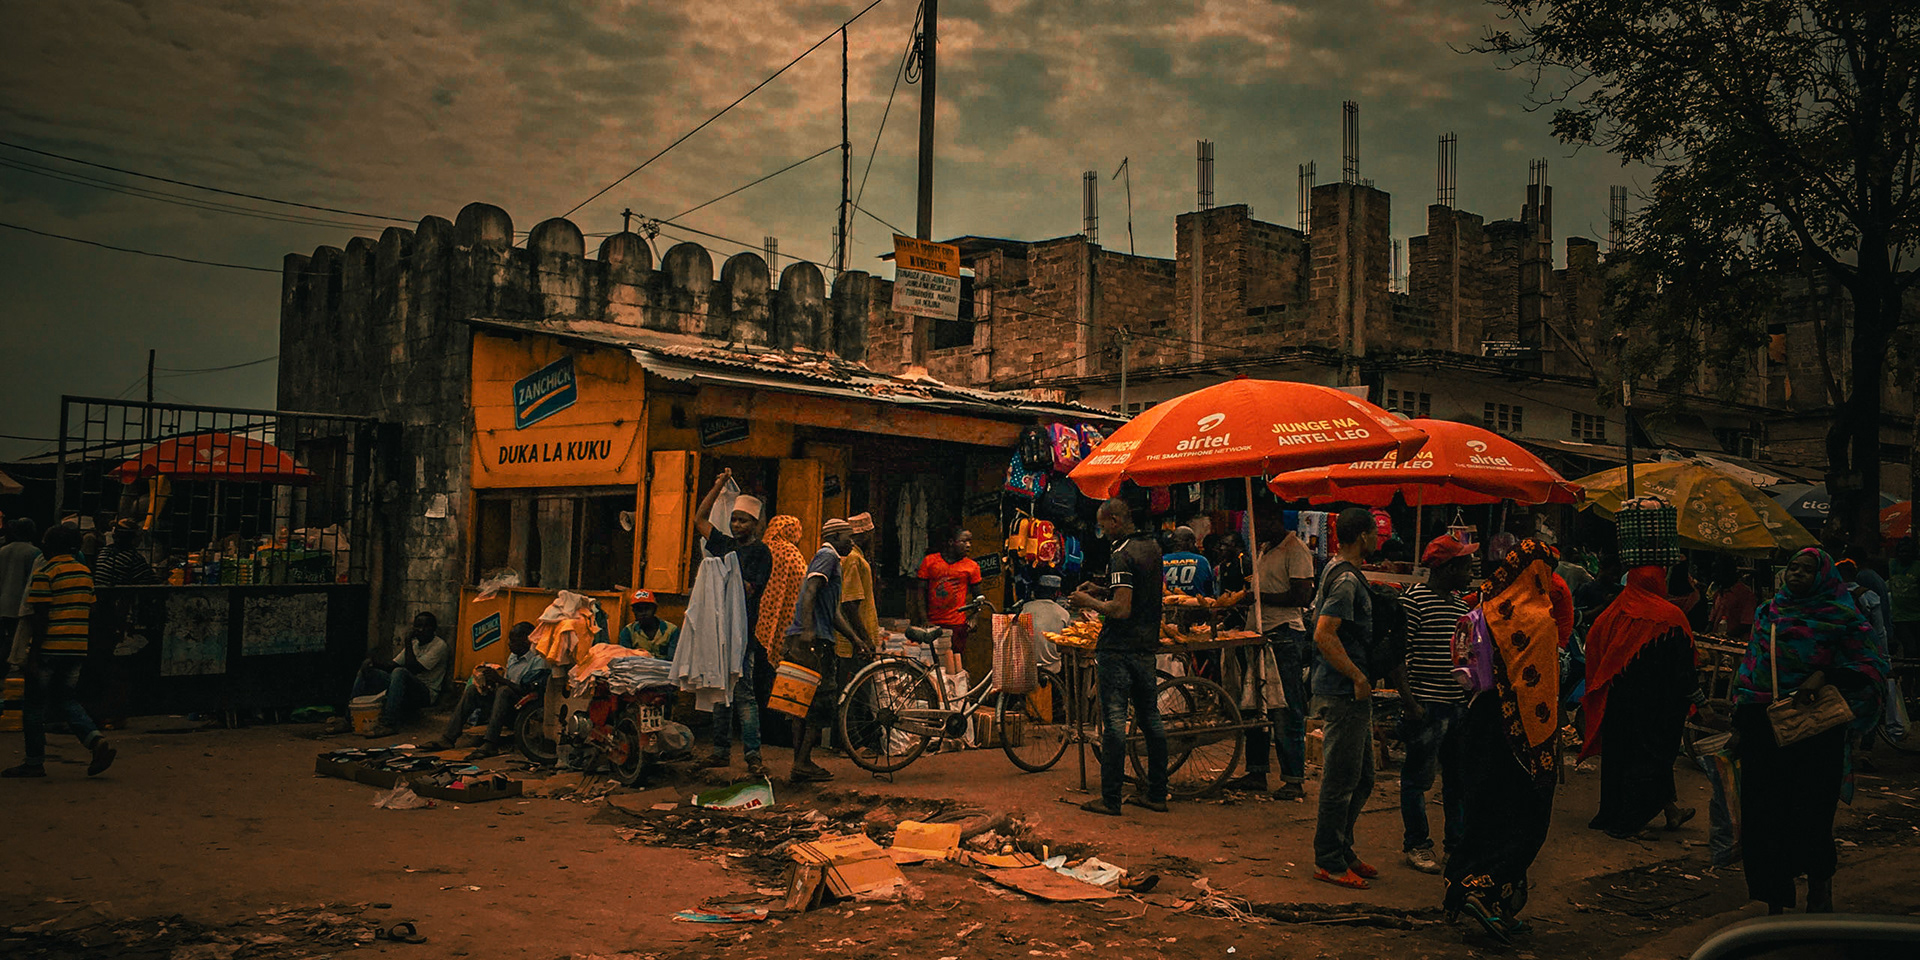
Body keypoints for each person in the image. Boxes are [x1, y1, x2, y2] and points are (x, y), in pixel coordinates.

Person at [1731, 548, 1888, 914]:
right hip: (1764, 726)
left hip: (1816, 733)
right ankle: (1776, 901)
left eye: (1806, 569)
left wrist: (1824, 676)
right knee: (1765, 816)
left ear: (1822, 576)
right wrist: (1739, 723)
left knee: (1812, 815)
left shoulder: (1843, 617)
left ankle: (1819, 887)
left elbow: (1871, 667)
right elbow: (1751, 669)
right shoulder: (1768, 612)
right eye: (1793, 568)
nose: (1797, 574)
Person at [1443, 539, 1574, 942]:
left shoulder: (1483, 609)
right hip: (1522, 736)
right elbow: (1545, 688)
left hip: (1479, 721)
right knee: (1525, 819)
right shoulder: (1539, 619)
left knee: (1483, 810)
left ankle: (1473, 891)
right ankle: (1483, 892)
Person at [1582, 565, 1702, 838]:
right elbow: (1683, 666)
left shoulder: (1614, 611)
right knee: (1650, 760)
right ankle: (1628, 821)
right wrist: (1698, 701)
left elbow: (1594, 643)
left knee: (1618, 758)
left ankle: (1622, 813)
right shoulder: (1670, 617)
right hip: (1658, 706)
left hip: (1618, 701)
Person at [1070, 499, 1167, 816]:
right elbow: (1134, 592)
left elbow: (1122, 608)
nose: (1102, 532)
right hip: (1146, 646)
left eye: (1103, 525)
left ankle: (1110, 798)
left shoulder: (1121, 554)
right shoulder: (1151, 547)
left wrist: (1086, 600)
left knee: (1113, 724)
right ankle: (1157, 794)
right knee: (1151, 720)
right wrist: (1101, 589)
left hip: (1118, 649)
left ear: (1114, 520)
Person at [1307, 507, 1382, 889]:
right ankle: (1329, 860)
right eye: (1375, 533)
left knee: (1363, 777)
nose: (1378, 540)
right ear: (1363, 536)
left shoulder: (1337, 570)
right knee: (1340, 780)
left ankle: (1343, 847)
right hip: (1343, 691)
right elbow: (1324, 633)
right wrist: (1356, 675)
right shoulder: (1347, 580)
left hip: (1347, 690)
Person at [4, 524, 115, 778]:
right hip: (75, 648)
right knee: (65, 698)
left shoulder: (45, 573)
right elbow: (91, 610)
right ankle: (95, 740)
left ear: (50, 546)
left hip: (49, 648)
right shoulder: (85, 574)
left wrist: (33, 656)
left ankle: (34, 761)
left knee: (33, 705)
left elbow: (40, 618)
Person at [1396, 534, 1477, 874]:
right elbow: (1399, 656)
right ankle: (1417, 844)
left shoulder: (1461, 608)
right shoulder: (1413, 601)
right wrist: (1410, 702)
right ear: (1447, 568)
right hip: (1427, 704)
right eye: (1465, 566)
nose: (1471, 572)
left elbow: (1466, 658)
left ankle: (1456, 846)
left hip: (1457, 704)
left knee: (1457, 781)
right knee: (1417, 780)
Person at [1228, 518, 1317, 800]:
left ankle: (1293, 779)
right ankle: (1257, 772)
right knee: (1254, 705)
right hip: (1258, 632)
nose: (1255, 529)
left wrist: (1258, 597)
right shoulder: (1264, 549)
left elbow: (1302, 595)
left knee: (1286, 706)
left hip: (1284, 634)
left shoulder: (1296, 549)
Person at [693, 469, 773, 777]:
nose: (737, 524)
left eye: (743, 520)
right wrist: (717, 486)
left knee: (743, 695)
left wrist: (722, 578)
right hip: (718, 632)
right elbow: (700, 519)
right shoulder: (724, 544)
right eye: (734, 519)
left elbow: (750, 588)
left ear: (755, 524)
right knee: (719, 692)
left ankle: (753, 755)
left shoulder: (761, 552)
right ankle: (720, 751)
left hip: (742, 634)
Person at [784, 518, 871, 783]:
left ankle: (800, 762)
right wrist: (808, 629)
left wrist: (855, 639)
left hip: (808, 639)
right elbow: (810, 591)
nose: (851, 542)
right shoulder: (828, 557)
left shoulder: (829, 560)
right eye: (847, 537)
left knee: (801, 703)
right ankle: (802, 762)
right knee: (820, 702)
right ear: (833, 537)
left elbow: (833, 612)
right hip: (816, 642)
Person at [419, 622, 546, 759]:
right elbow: (507, 683)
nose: (509, 644)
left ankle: (490, 744)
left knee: (504, 691)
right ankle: (448, 738)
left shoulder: (538, 660)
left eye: (513, 641)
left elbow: (529, 691)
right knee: (473, 690)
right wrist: (489, 684)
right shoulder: (513, 657)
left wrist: (501, 681)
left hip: (524, 713)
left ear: (526, 640)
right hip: (505, 707)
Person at [351, 611, 451, 739]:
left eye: (426, 627)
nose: (421, 630)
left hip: (425, 693)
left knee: (400, 672)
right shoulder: (415, 644)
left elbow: (413, 669)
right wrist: (373, 663)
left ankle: (389, 723)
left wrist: (408, 642)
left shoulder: (439, 646)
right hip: (405, 688)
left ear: (433, 628)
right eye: (418, 626)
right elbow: (392, 665)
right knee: (366, 671)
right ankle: (350, 718)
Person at [912, 526, 983, 674]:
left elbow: (979, 597)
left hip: (957, 625)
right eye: (964, 541)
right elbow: (920, 592)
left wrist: (975, 616)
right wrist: (923, 618)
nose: (968, 545)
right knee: (930, 666)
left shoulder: (972, 567)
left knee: (955, 666)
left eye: (970, 541)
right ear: (951, 542)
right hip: (932, 624)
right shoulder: (930, 561)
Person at [0, 518, 41, 684]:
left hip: (3, 602)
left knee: (5, 639)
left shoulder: (3, 550)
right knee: (16, 640)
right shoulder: (34, 552)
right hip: (20, 604)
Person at [1021, 574, 1071, 674]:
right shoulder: (1063, 613)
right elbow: (1066, 644)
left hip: (1027, 667)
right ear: (1056, 593)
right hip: (1053, 669)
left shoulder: (1026, 608)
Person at [92, 519, 159, 587]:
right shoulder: (133, 558)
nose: (141, 539)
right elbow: (153, 583)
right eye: (139, 536)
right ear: (132, 538)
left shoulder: (105, 551)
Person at [616, 589, 680, 660]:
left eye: (647, 608)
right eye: (639, 609)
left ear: (654, 609)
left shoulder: (671, 631)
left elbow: (674, 660)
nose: (643, 613)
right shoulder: (627, 632)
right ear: (634, 612)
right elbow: (625, 659)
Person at [1161, 526, 1216, 597]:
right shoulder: (1202, 561)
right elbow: (1209, 590)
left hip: (1168, 601)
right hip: (1197, 602)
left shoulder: (1162, 560)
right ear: (1190, 542)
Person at [1708, 566, 1759, 642]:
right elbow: (1712, 620)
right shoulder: (1718, 594)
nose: (1714, 576)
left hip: (1737, 642)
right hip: (1717, 641)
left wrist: (1726, 636)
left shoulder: (1745, 594)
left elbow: (1747, 624)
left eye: (1718, 573)